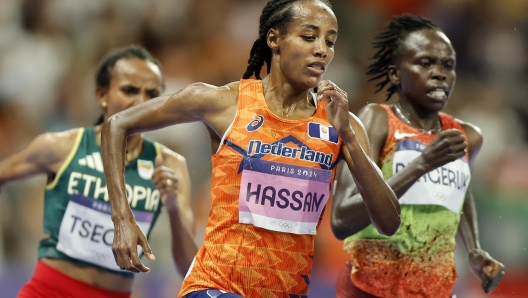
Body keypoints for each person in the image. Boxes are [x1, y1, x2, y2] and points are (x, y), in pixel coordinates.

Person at [100, 1, 401, 297]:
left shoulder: (341, 125)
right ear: (274, 39)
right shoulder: (224, 103)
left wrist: (347, 135)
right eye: (309, 37)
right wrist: (123, 219)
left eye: (330, 41)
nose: (322, 49)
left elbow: (389, 222)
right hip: (214, 286)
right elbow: (117, 125)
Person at [0, 45, 197, 298]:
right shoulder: (62, 147)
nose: (141, 101)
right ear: (102, 95)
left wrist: (172, 207)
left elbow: (188, 268)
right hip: (48, 291)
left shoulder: (170, 164)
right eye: (129, 90)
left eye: (152, 94)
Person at [331, 14, 505, 298]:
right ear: (395, 74)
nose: (440, 73)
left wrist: (474, 248)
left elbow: (460, 192)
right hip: (368, 289)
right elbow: (341, 220)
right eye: (425, 63)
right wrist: (422, 163)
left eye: (448, 65)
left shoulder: (466, 135)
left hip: (436, 291)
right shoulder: (377, 121)